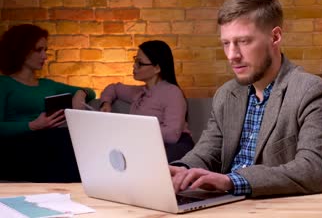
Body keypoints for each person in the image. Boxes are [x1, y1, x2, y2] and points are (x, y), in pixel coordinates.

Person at [170, 0, 322, 198]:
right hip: (222, 205)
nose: (232, 55)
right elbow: (207, 151)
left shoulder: (311, 91)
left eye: (243, 41)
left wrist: (231, 181)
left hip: (271, 206)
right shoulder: (226, 94)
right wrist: (181, 170)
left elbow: (314, 169)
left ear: (275, 37)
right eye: (226, 43)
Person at [0, 24, 96, 182]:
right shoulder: (4, 84)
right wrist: (32, 125)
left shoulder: (47, 85)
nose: (45, 56)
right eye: (39, 50)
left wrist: (81, 93)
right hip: (14, 145)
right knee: (61, 141)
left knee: (68, 138)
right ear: (21, 50)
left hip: (47, 141)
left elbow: (91, 92)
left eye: (45, 50)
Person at [100, 40, 194, 162]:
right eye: (135, 60)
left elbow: (172, 135)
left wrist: (136, 129)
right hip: (147, 144)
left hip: (174, 147)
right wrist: (105, 103)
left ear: (157, 68)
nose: (134, 66)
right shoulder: (139, 92)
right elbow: (113, 88)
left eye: (140, 63)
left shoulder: (172, 92)